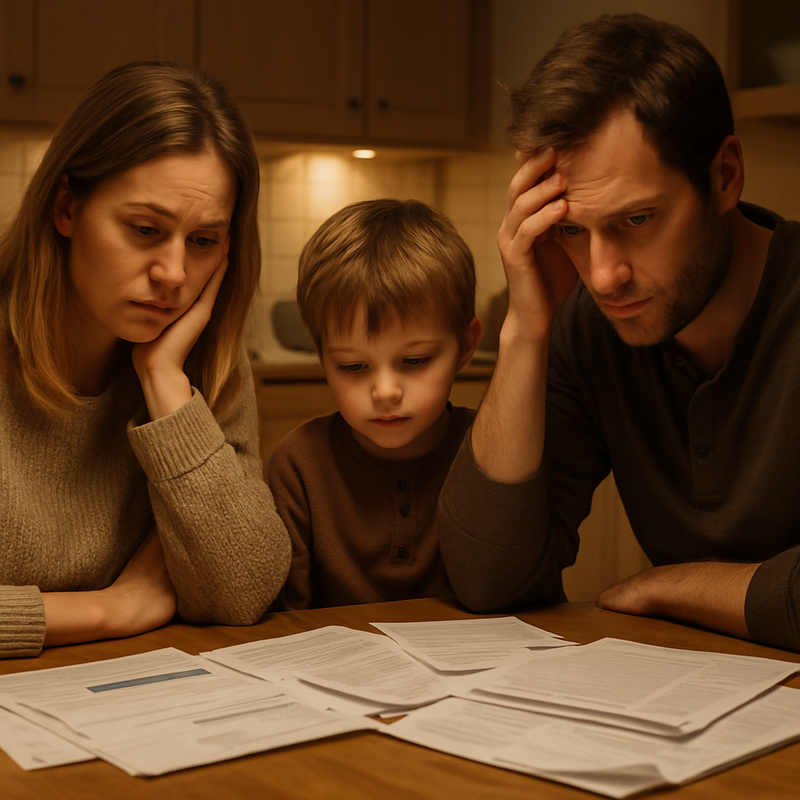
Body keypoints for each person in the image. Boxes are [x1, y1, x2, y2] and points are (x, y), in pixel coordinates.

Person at [437, 13, 800, 652]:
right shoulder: (590, 327)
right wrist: (526, 327)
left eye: (637, 219)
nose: (604, 277)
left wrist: (677, 585)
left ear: (724, 176)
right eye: (572, 230)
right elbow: (488, 579)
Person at [0, 61, 291, 659]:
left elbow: (243, 591)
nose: (174, 274)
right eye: (144, 229)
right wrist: (109, 609)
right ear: (66, 206)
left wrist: (164, 384)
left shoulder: (198, 359)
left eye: (203, 241)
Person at [268, 199, 482, 609]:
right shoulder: (298, 466)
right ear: (321, 355)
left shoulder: (490, 453)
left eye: (414, 361)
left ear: (466, 345)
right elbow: (284, 619)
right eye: (353, 366)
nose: (385, 391)